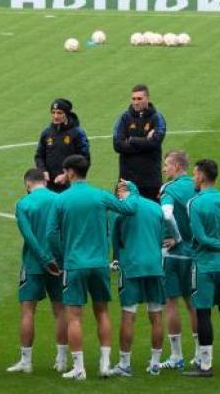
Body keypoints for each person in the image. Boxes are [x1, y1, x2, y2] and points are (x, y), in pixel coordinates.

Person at [46, 154, 135, 380]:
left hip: (74, 264)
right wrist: (131, 191)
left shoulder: (61, 199)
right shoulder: (101, 196)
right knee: (102, 311)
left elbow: (50, 233)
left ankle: (79, 368)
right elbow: (127, 209)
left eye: (65, 171)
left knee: (74, 316)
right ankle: (105, 365)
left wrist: (63, 253)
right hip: (99, 263)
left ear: (71, 172)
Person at [181, 159, 220, 378]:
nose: (192, 178)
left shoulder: (194, 203)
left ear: (201, 176)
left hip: (205, 266)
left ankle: (205, 366)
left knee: (203, 313)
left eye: (194, 174)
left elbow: (201, 238)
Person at [6, 169, 67, 374]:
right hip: (58, 265)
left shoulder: (23, 204)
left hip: (33, 264)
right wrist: (56, 260)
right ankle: (61, 360)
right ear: (45, 181)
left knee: (28, 310)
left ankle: (26, 361)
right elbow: (63, 232)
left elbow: (29, 236)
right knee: (60, 310)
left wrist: (43, 259)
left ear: (27, 184)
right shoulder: (59, 200)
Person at [111, 179, 171, 377]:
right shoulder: (155, 208)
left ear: (121, 192)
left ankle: (124, 364)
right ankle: (155, 364)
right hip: (154, 266)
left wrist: (117, 262)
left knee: (129, 314)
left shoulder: (121, 211)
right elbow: (163, 237)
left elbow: (117, 244)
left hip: (132, 268)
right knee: (156, 315)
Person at [158, 150, 200, 370]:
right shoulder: (197, 185)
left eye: (167, 165)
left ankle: (176, 356)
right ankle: (201, 354)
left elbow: (166, 214)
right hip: (194, 253)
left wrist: (176, 236)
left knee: (170, 303)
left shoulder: (169, 189)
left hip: (173, 255)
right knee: (192, 304)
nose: (165, 169)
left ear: (176, 166)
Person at [112, 84, 167, 197]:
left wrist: (131, 140)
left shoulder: (157, 118)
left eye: (139, 99)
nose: (136, 102)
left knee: (153, 212)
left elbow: (155, 142)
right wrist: (145, 141)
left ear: (147, 98)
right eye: (133, 99)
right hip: (127, 179)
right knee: (125, 212)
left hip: (151, 180)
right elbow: (117, 145)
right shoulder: (124, 118)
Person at [34, 99, 90, 193]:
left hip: (71, 185)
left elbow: (85, 160)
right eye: (53, 112)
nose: (55, 116)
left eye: (59, 113)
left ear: (66, 114)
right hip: (49, 185)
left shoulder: (77, 133)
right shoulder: (46, 133)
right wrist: (43, 171)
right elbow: (39, 156)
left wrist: (67, 176)